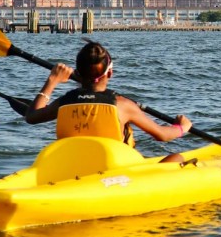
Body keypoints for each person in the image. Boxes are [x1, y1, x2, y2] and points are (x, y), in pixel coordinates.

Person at [25, 41, 192, 163]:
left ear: (77, 73)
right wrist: (181, 128)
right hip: (116, 173)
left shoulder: (65, 102)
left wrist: (52, 81)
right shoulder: (122, 105)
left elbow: (32, 116)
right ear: (110, 73)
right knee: (176, 158)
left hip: (74, 170)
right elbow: (162, 135)